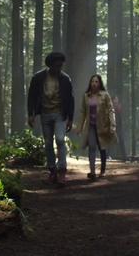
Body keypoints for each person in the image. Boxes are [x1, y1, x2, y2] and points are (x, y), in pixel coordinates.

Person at [27, 51, 74, 185]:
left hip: (60, 113)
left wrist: (70, 118)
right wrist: (31, 114)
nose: (58, 68)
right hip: (45, 113)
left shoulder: (65, 79)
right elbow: (32, 96)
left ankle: (62, 171)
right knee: (48, 143)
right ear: (50, 65)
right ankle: (52, 170)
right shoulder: (38, 77)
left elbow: (71, 99)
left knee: (60, 139)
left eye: (61, 66)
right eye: (56, 66)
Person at [76, 74, 117, 180]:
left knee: (102, 148)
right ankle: (93, 171)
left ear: (100, 83)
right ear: (90, 83)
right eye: (92, 81)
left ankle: (102, 171)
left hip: (103, 126)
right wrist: (79, 127)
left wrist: (112, 125)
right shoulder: (86, 96)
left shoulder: (105, 95)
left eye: (96, 82)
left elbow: (111, 110)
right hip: (91, 127)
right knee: (92, 147)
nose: (94, 84)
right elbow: (83, 112)